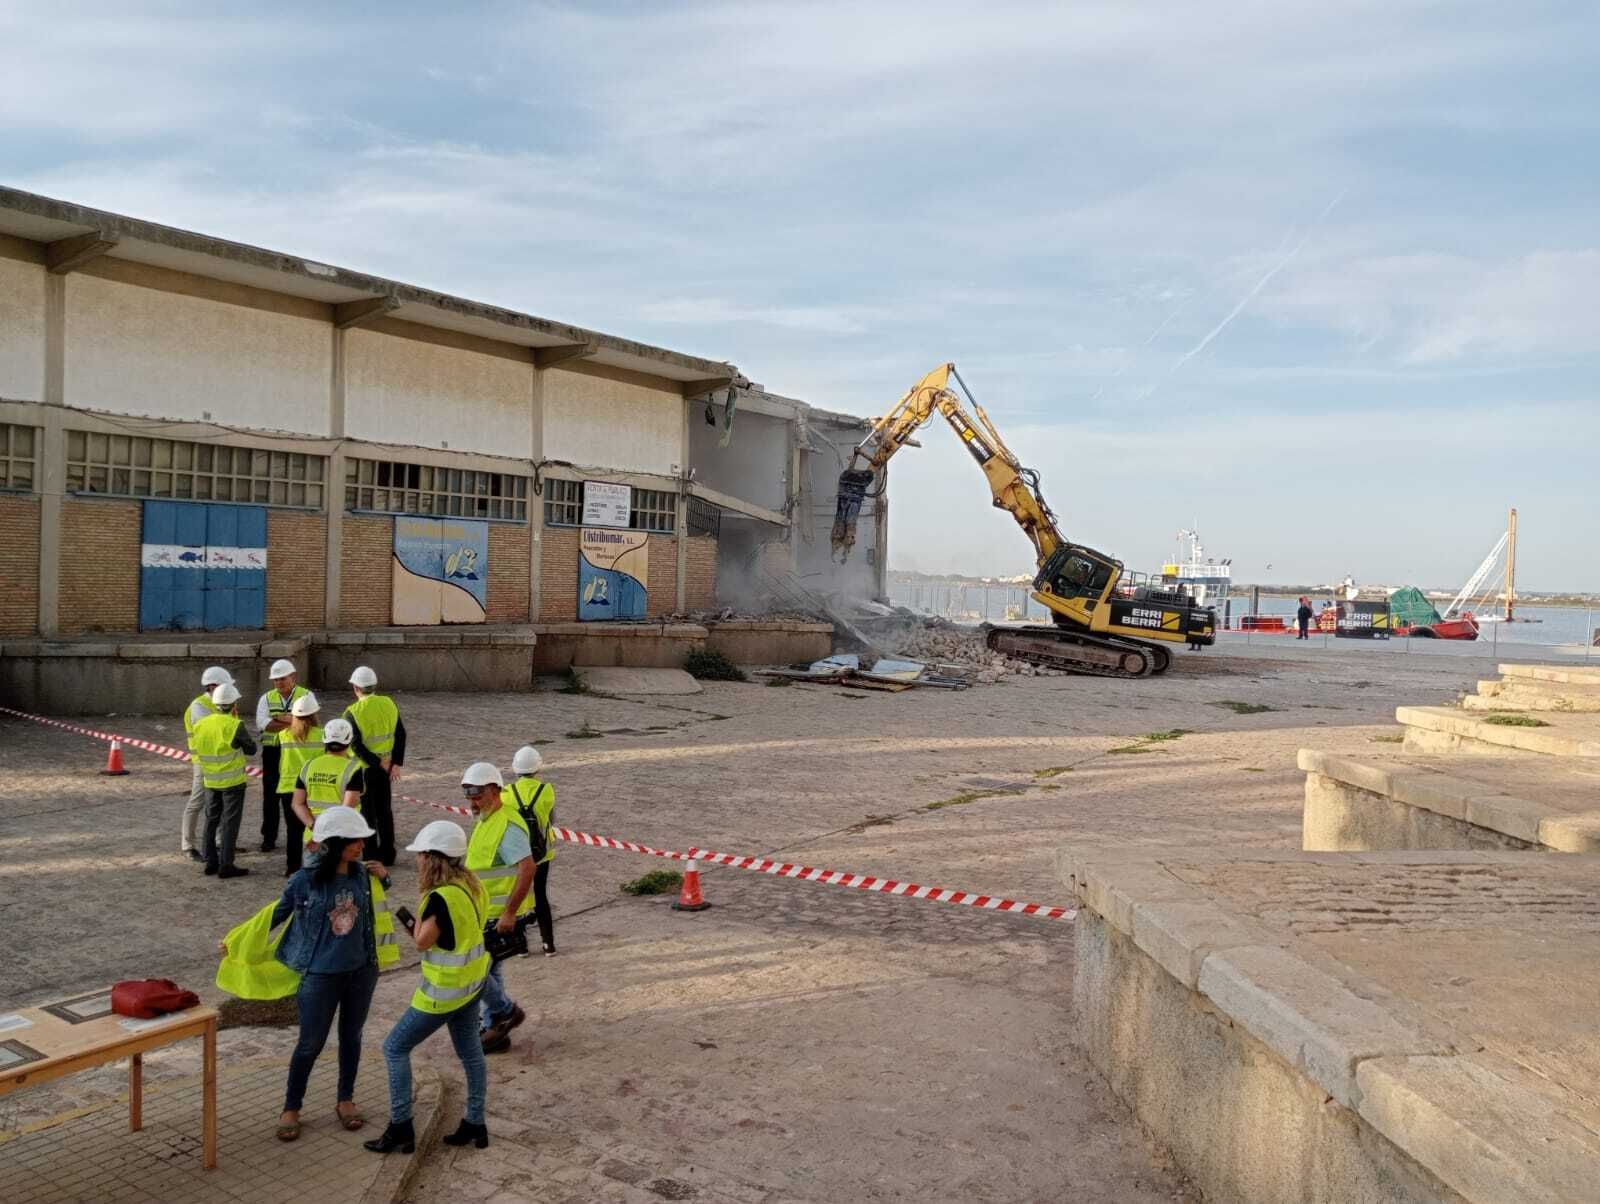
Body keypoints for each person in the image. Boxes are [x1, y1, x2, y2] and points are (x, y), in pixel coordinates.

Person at [365, 820, 491, 1155]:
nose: (417, 859)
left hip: (442, 995)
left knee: (394, 1047)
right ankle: (475, 1122)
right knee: (471, 1055)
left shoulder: (437, 898)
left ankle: (401, 1127)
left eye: (421, 854)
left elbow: (422, 942)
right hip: (471, 987)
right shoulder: (473, 886)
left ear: (432, 858)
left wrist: (411, 915)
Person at [270, 807, 391, 1143]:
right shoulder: (303, 881)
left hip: (362, 971)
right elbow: (275, 915)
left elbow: (378, 899)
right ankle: (291, 1107)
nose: (362, 846)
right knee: (310, 1044)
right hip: (319, 976)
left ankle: (345, 1099)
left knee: (351, 1037)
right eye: (355, 841)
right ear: (336, 843)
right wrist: (238, 942)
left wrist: (385, 876)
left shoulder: (363, 876)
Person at [461, 761, 534, 1054]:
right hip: (486, 912)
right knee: (493, 970)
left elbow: (527, 869)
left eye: (477, 795)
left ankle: (504, 1012)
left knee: (473, 971)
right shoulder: (487, 818)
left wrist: (509, 913)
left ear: (494, 790)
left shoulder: (507, 825)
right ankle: (496, 1031)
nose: (472, 802)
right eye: (469, 796)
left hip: (498, 914)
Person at [192, 682, 258, 879]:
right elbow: (251, 749)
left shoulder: (201, 724)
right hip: (232, 783)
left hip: (211, 780)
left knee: (211, 820)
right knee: (229, 823)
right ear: (233, 704)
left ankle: (210, 862)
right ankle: (226, 864)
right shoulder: (235, 725)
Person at [343, 666, 406, 867]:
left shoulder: (352, 712)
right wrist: (395, 763)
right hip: (386, 769)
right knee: (385, 812)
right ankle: (388, 853)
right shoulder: (389, 703)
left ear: (355, 687)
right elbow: (401, 734)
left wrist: (378, 762)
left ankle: (370, 854)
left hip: (364, 770)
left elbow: (355, 745)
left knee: (367, 813)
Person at [291, 718, 365, 869]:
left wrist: (315, 828)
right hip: (345, 840)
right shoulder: (353, 769)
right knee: (344, 886)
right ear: (349, 741)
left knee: (313, 888)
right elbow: (346, 809)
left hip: (314, 837)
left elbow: (297, 803)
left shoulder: (308, 766)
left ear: (324, 740)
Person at [255, 659, 310, 854]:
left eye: (282, 678)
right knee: (270, 796)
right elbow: (263, 723)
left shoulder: (306, 695)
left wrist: (278, 719)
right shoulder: (266, 698)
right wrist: (294, 721)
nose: (278, 683)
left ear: (293, 677)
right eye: (275, 680)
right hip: (272, 752)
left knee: (295, 796)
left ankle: (298, 834)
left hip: (296, 753)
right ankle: (268, 837)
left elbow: (310, 722)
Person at [507, 744, 558, 956]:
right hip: (542, 852)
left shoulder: (506, 793)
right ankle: (548, 945)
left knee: (517, 896)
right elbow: (551, 819)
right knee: (540, 895)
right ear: (538, 767)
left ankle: (521, 946)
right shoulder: (546, 790)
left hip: (518, 852)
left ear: (515, 768)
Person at [181, 666, 233, 862]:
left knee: (218, 801)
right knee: (197, 801)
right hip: (204, 762)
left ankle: (220, 842)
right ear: (212, 686)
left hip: (221, 761)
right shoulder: (199, 706)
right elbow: (214, 731)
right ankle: (188, 845)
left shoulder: (222, 702)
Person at [275, 693, 325, 876]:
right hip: (313, 788)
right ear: (314, 715)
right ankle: (316, 864)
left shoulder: (283, 735)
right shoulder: (322, 735)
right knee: (314, 827)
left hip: (288, 787)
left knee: (293, 831)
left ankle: (292, 868)